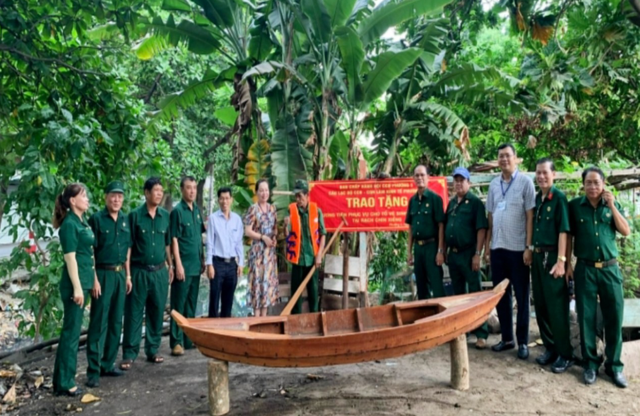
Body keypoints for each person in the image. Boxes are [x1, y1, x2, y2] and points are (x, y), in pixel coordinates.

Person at [567, 167, 630, 387]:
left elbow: (626, 230)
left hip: (610, 269)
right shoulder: (575, 206)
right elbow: (568, 236)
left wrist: (612, 206)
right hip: (585, 268)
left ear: (603, 184)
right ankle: (591, 365)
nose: (593, 187)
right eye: (589, 183)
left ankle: (614, 366)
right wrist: (567, 264)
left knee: (614, 315)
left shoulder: (610, 205)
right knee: (586, 317)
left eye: (597, 182)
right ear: (583, 185)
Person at [484, 143, 535, 360]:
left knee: (522, 296)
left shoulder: (525, 182)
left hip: (518, 250)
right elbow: (491, 217)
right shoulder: (494, 184)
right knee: (501, 295)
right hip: (498, 249)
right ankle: (507, 338)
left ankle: (522, 341)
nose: (504, 159)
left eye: (507, 156)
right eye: (500, 156)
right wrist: (488, 246)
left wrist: (528, 247)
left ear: (515, 158)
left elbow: (530, 216)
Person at [120, 177, 173, 370]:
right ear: (146, 193)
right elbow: (129, 248)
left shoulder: (165, 216)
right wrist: (127, 274)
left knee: (157, 311)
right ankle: (129, 353)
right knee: (133, 312)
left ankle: (153, 350)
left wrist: (171, 265)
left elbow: (167, 244)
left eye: (161, 190)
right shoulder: (134, 216)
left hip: (159, 271)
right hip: (138, 271)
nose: (159, 194)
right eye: (155, 190)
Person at [85, 181, 132, 388]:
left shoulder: (124, 219)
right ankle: (93, 371)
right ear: (106, 197)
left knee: (115, 321)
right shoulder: (96, 219)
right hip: (102, 274)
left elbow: (128, 250)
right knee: (98, 323)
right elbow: (89, 252)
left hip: (120, 275)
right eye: (113, 195)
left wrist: (128, 276)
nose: (116, 200)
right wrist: (93, 278)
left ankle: (107, 364)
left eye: (120, 196)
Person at [531, 159, 573, 373]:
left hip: (553, 258)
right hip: (538, 258)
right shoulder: (538, 198)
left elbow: (563, 231)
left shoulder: (559, 198)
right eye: (538, 173)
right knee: (541, 306)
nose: (541, 176)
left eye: (545, 173)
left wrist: (562, 261)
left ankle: (565, 354)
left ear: (553, 174)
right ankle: (550, 348)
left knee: (557, 308)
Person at [52, 183, 94, 396]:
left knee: (72, 332)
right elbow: (70, 258)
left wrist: (90, 281)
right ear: (72, 201)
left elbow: (87, 255)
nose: (87, 199)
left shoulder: (81, 221)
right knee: (71, 334)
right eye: (83, 196)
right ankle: (66, 382)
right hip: (74, 286)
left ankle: (61, 381)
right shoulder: (69, 224)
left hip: (85, 282)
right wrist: (77, 288)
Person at [443, 167, 489, 349]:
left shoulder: (475, 203)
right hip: (453, 255)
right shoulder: (452, 203)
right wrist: (444, 250)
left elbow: (481, 230)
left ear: (469, 182)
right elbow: (447, 227)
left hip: (469, 254)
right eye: (456, 180)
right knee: (459, 294)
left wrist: (478, 254)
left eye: (462, 180)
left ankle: (481, 333)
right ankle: (462, 329)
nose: (459, 183)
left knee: (475, 294)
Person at [169, 176, 205, 356]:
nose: (192, 191)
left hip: (196, 266)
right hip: (183, 266)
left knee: (191, 304)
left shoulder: (196, 211)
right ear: (182, 190)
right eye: (188, 188)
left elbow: (199, 238)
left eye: (194, 188)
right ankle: (176, 341)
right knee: (179, 304)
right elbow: (174, 239)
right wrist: (178, 265)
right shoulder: (177, 211)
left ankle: (188, 339)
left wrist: (203, 259)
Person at [284, 179, 327, 314]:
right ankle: (295, 319)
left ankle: (314, 318)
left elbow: (323, 234)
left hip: (313, 259)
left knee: (313, 292)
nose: (298, 199)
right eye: (296, 196)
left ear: (307, 196)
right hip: (297, 259)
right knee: (296, 292)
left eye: (300, 196)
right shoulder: (291, 211)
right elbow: (287, 236)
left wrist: (319, 254)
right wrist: (286, 225)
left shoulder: (316, 211)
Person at [405, 165, 445, 299]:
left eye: (422, 175)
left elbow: (441, 226)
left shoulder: (435, 199)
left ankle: (442, 317)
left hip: (432, 247)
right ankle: (425, 316)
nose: (419, 178)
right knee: (421, 286)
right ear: (413, 179)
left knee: (436, 284)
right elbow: (410, 228)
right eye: (417, 175)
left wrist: (440, 251)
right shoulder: (412, 201)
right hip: (418, 247)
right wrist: (409, 251)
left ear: (428, 177)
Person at [205, 187, 244, 318]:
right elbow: (209, 242)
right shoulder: (213, 218)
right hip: (218, 263)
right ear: (218, 200)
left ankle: (225, 330)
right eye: (222, 198)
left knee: (228, 300)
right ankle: (212, 331)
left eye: (227, 198)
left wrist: (241, 263)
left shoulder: (237, 220)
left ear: (231, 200)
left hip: (232, 264)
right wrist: (209, 264)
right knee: (214, 298)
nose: (224, 201)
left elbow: (239, 243)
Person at [244, 179, 278, 317]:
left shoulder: (273, 209)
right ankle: (256, 318)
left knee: (266, 284)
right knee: (257, 283)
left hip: (269, 253)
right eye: (261, 190)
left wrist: (273, 238)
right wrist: (263, 237)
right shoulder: (253, 209)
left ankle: (264, 319)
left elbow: (275, 229)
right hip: (257, 253)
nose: (264, 193)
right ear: (257, 192)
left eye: (266, 190)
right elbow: (248, 231)